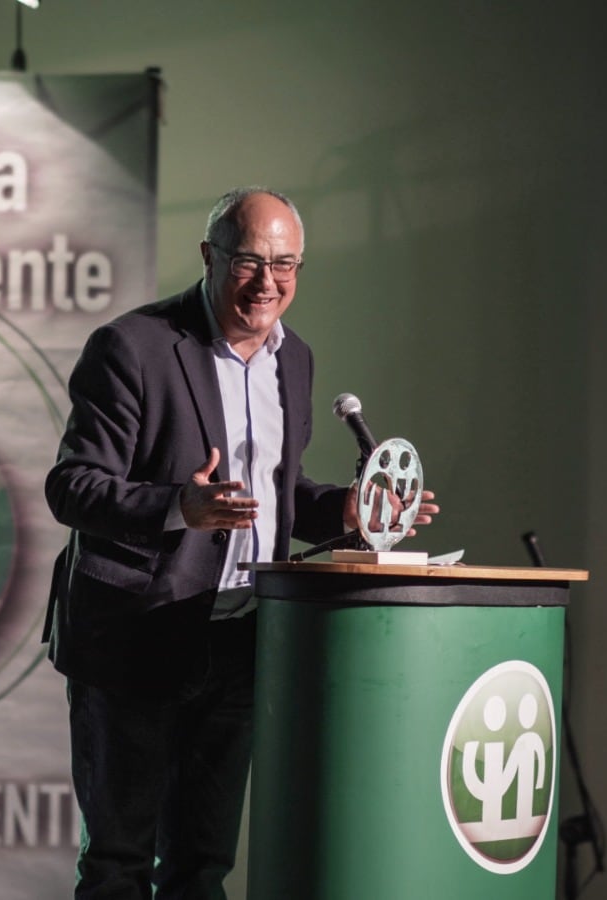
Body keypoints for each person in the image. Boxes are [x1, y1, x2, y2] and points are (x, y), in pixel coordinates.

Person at [43, 187, 435, 898]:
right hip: (136, 640)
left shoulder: (296, 361)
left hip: (239, 640)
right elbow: (71, 487)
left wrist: (345, 509)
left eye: (285, 264)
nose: (267, 282)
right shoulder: (133, 347)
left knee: (202, 868)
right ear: (209, 258)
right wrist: (176, 507)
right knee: (119, 866)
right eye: (249, 261)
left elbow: (276, 496)